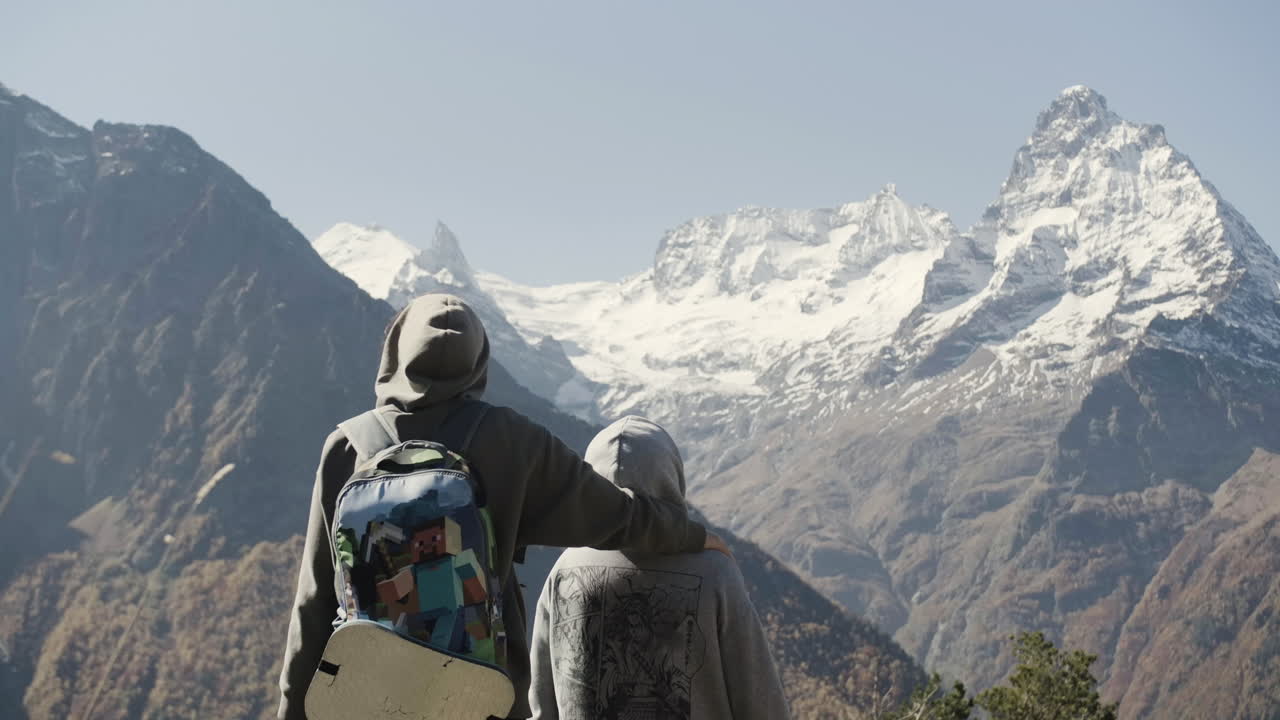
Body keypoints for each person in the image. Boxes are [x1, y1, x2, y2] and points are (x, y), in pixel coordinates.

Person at [277, 294, 728, 720]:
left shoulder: (347, 447)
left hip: (366, 692)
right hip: (480, 691)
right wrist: (692, 535)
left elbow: (315, 599)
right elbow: (619, 518)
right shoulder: (512, 440)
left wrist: (293, 709)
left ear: (395, 354)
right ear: (478, 363)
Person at [529, 416, 790, 720]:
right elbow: (760, 700)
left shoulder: (565, 570)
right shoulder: (715, 572)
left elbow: (542, 702)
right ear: (671, 477)